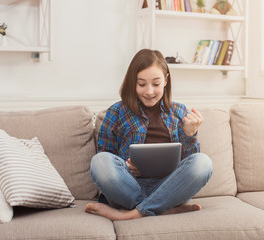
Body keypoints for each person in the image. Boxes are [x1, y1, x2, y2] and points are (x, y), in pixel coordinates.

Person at [84, 49, 213, 221]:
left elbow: (190, 164)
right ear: (133, 82)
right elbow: (105, 154)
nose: (149, 91)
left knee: (203, 162)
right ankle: (162, 209)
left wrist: (190, 134)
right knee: (99, 162)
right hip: (129, 188)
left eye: (156, 84)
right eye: (142, 84)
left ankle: (134, 213)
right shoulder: (116, 111)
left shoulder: (180, 111)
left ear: (166, 81)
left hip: (169, 188)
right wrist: (126, 165)